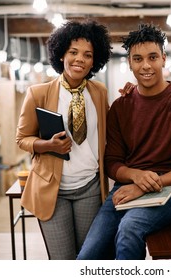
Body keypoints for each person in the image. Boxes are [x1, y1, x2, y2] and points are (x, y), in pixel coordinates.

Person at [77, 23, 171, 260]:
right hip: (125, 188)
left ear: (164, 59)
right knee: (88, 255)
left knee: (129, 229)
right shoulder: (120, 106)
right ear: (129, 63)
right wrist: (136, 177)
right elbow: (112, 161)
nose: (145, 65)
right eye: (138, 59)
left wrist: (146, 184)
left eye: (153, 57)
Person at [15, 20, 112, 260]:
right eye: (73, 52)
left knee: (87, 258)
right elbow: (22, 138)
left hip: (90, 187)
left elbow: (111, 131)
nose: (80, 59)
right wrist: (46, 145)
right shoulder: (38, 93)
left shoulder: (99, 93)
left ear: (94, 61)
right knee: (62, 261)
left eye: (87, 55)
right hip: (52, 190)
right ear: (61, 55)